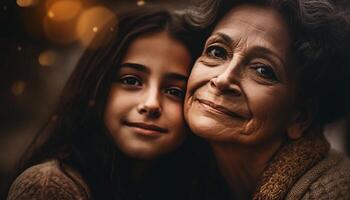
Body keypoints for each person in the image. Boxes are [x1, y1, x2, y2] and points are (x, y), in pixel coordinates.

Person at [6, 7, 204, 200]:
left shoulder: (191, 187)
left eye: (174, 91)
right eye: (131, 80)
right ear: (96, 85)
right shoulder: (50, 187)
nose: (152, 104)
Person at [184, 0, 350, 199]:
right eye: (216, 52)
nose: (223, 79)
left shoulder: (333, 192)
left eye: (263, 70)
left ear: (299, 117)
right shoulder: (175, 167)